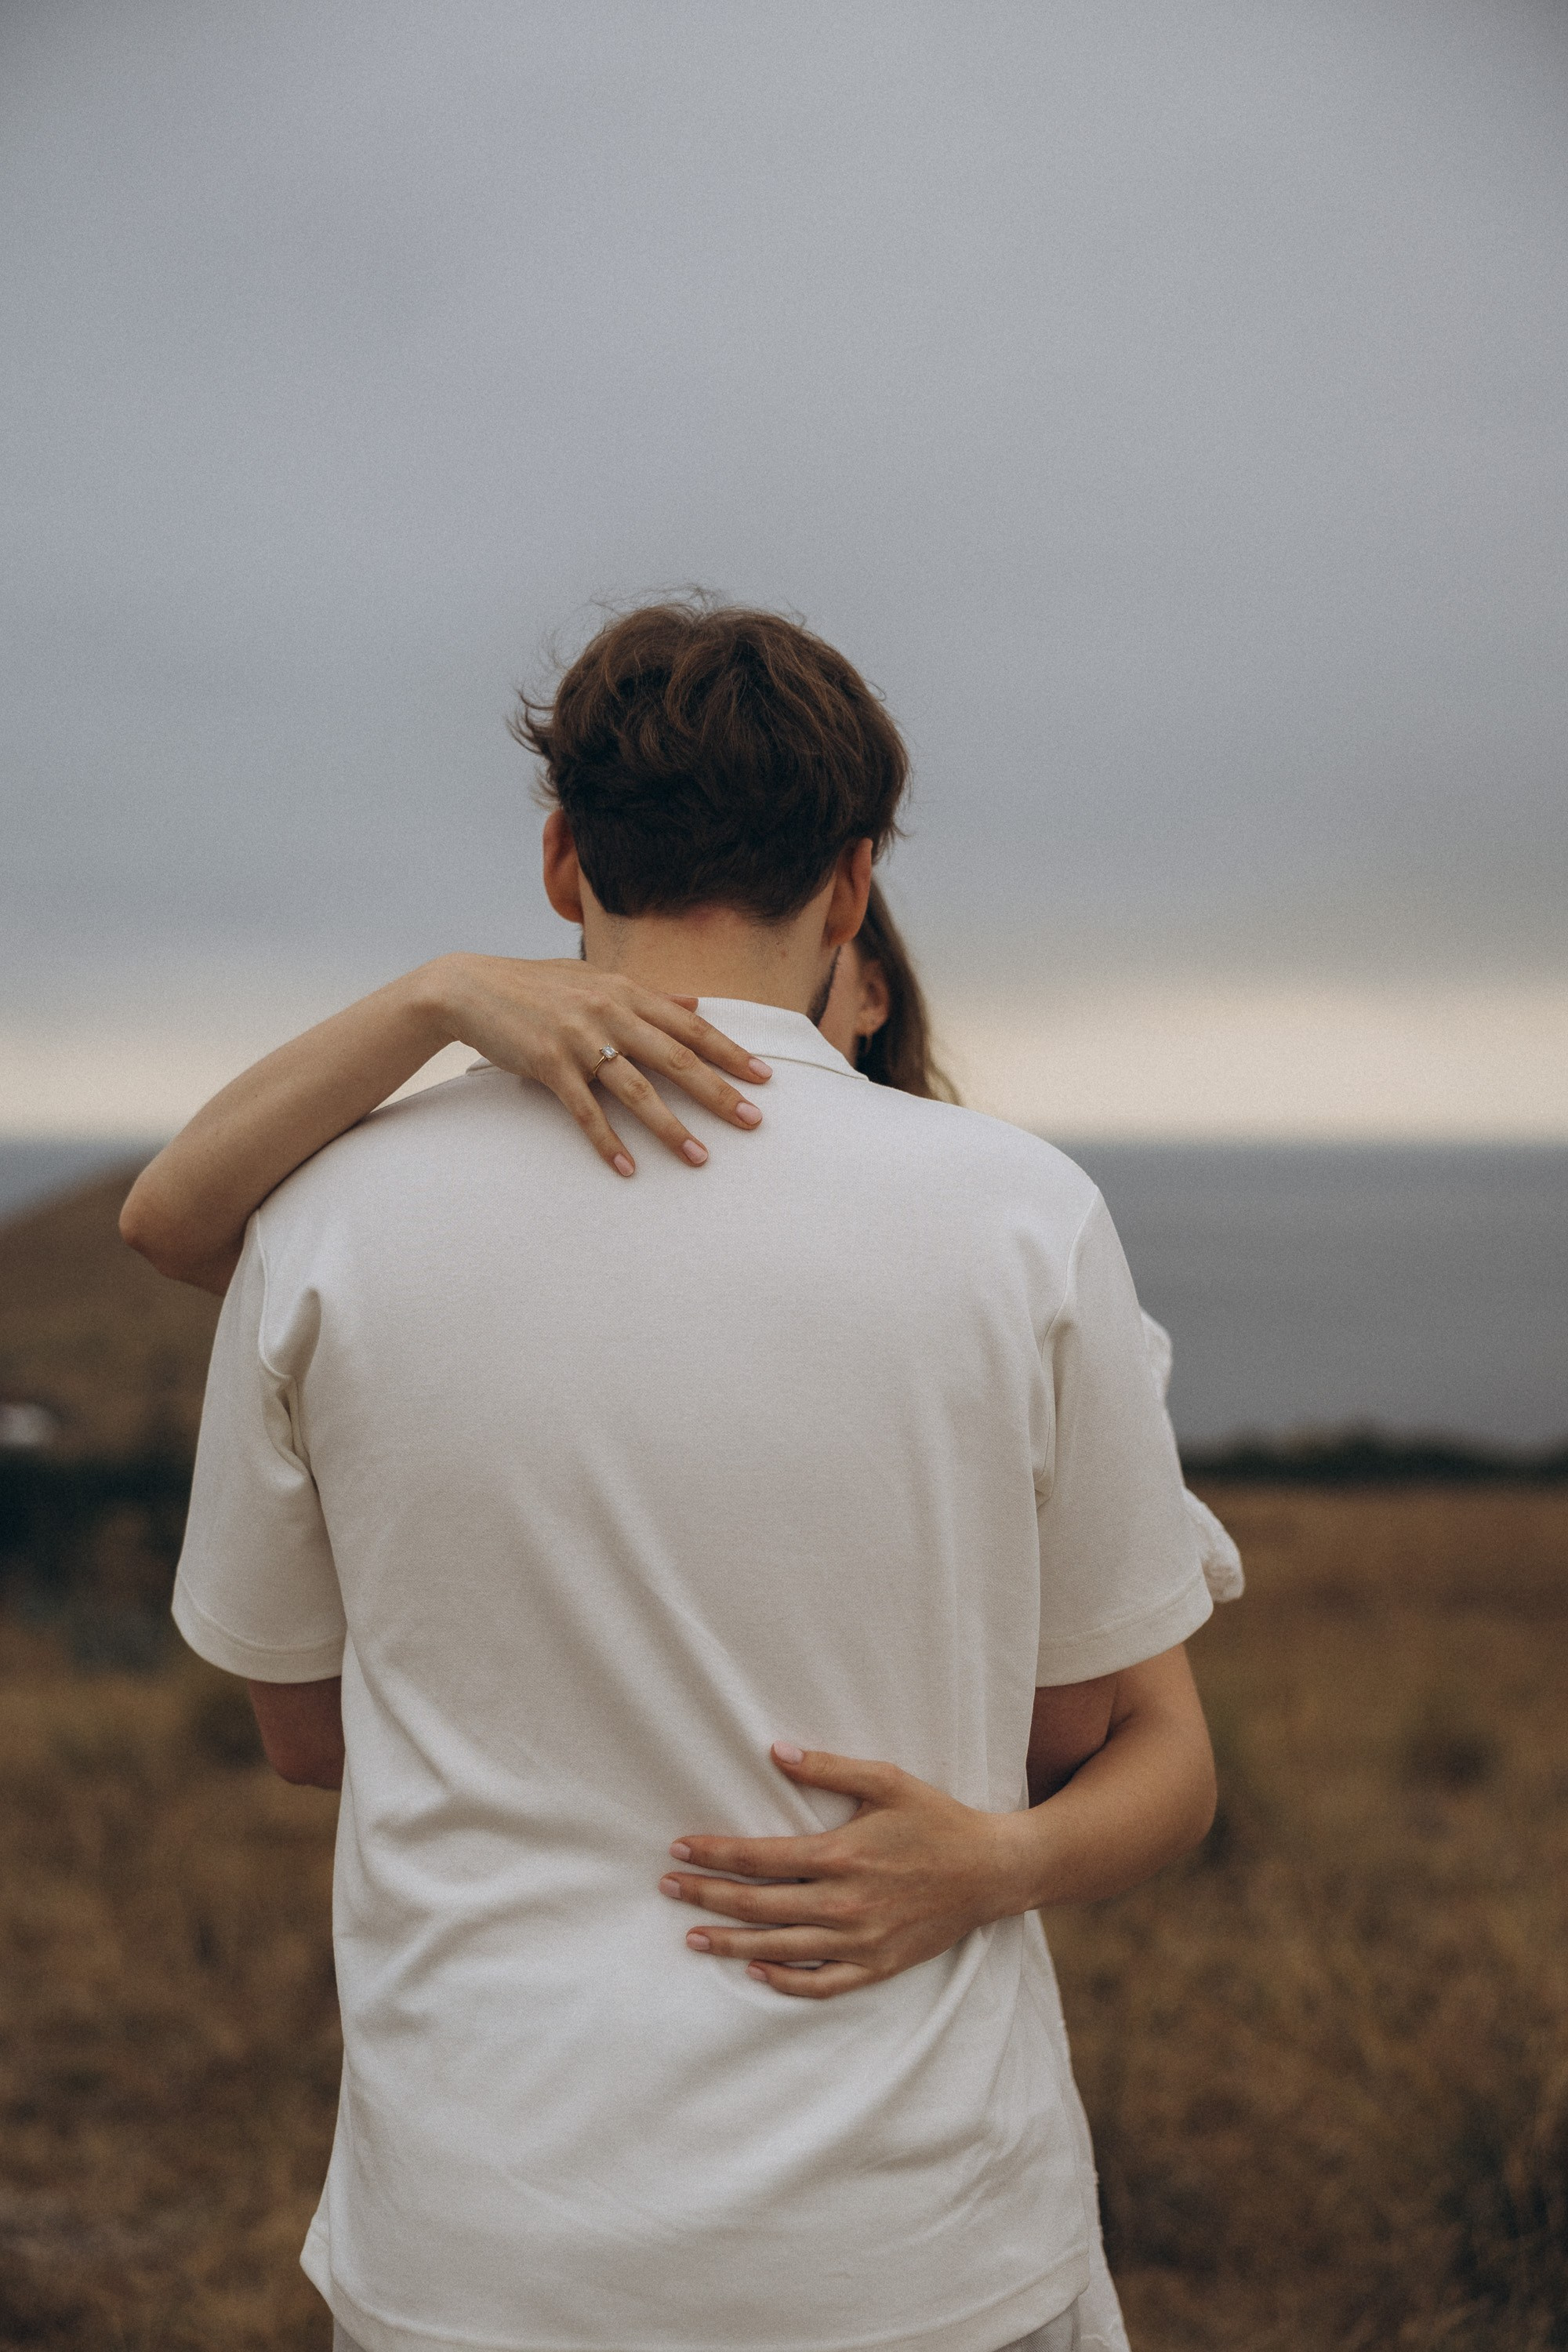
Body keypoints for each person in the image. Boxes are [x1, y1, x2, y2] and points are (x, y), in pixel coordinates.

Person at [148, 598, 1222, 2352]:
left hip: (483, 2242)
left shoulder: (324, 1218)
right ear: (852, 885)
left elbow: (300, 1736)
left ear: (563, 854)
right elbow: (1079, 1730)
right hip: (916, 2241)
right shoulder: (1023, 1216)